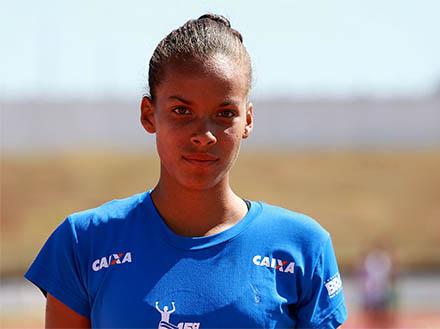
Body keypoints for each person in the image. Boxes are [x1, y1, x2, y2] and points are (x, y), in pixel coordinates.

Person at [25, 14, 347, 328]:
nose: (203, 135)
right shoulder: (85, 241)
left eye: (224, 113)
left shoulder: (303, 247)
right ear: (149, 115)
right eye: (181, 111)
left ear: (247, 120)